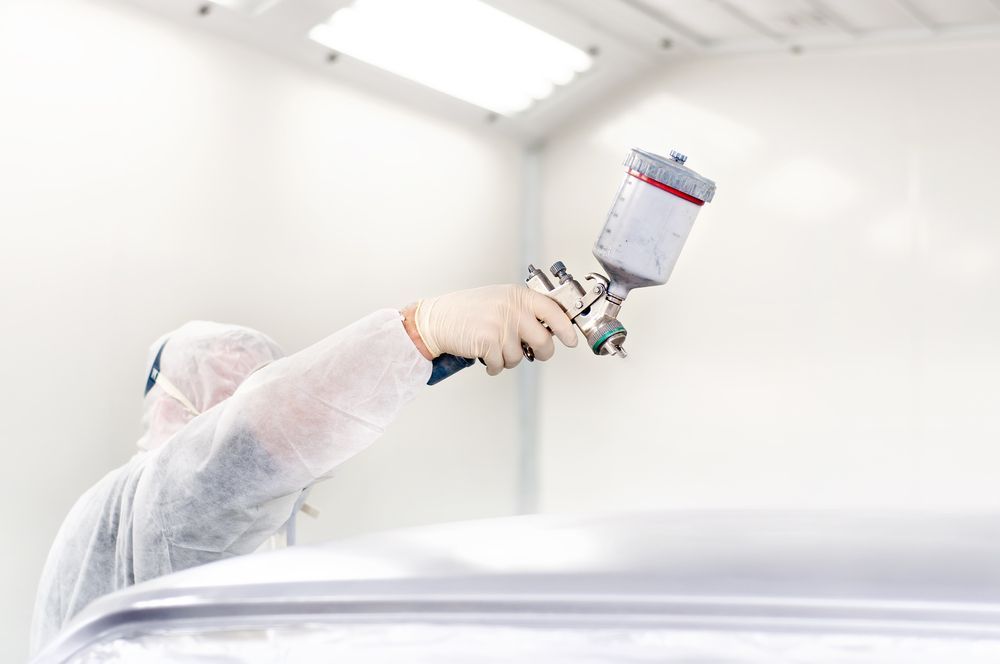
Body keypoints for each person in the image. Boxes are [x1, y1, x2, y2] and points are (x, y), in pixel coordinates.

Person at [30, 285, 577, 654]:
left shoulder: (226, 530)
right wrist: (420, 333)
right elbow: (244, 446)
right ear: (177, 403)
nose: (280, 441)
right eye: (236, 403)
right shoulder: (159, 499)